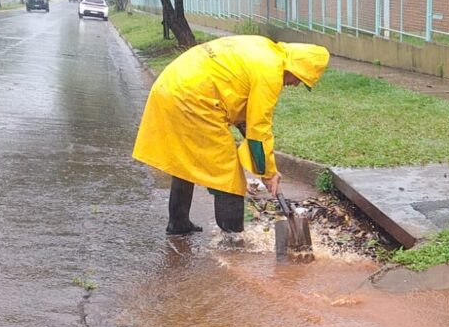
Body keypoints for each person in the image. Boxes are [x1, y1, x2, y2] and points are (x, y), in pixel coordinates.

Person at [133, 35, 331, 235]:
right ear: (295, 69)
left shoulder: (266, 49)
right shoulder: (271, 73)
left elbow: (239, 103)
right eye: (299, 79)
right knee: (228, 173)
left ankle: (178, 223)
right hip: (193, 97)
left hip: (172, 84)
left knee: (186, 160)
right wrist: (268, 172)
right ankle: (234, 239)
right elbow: (258, 129)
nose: (295, 84)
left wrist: (263, 168)